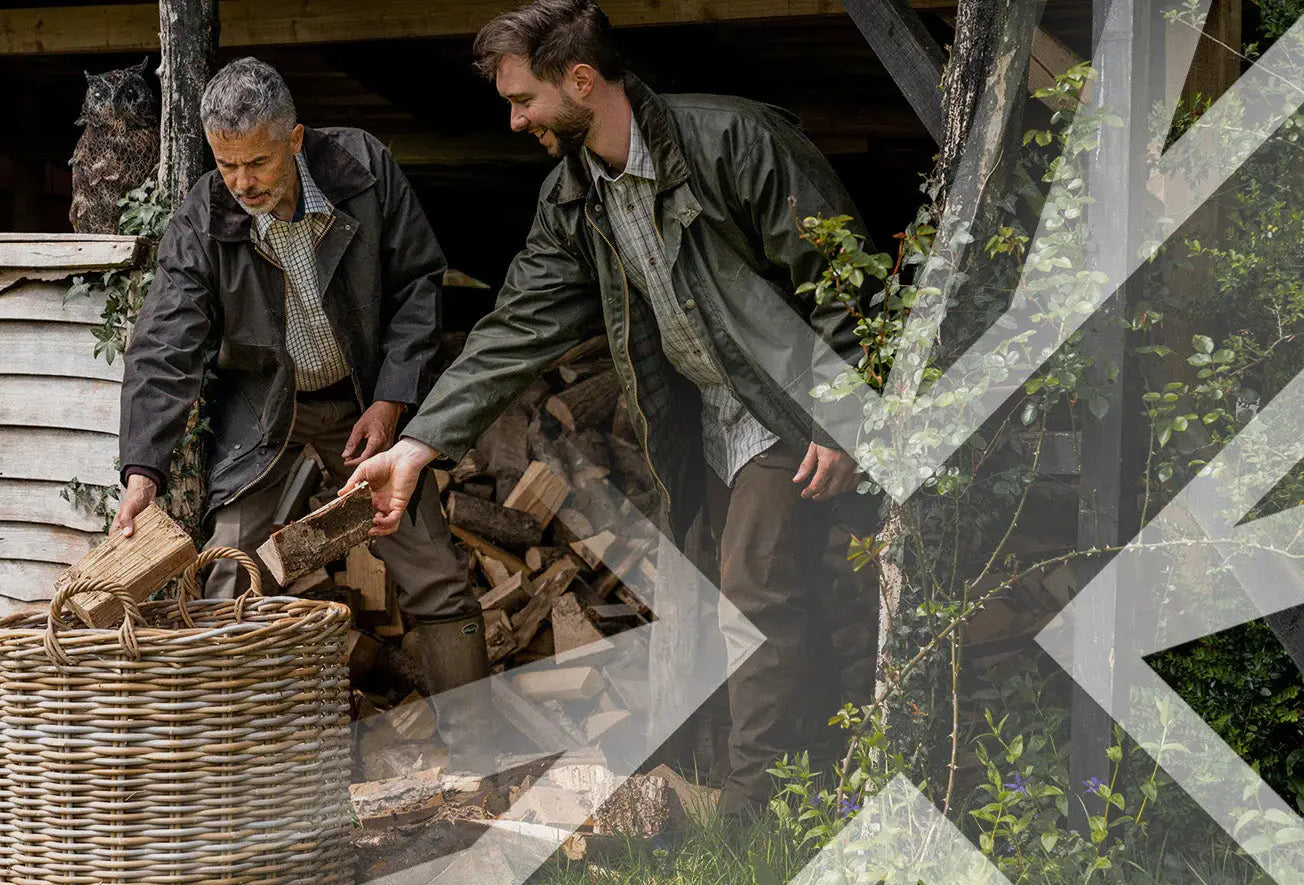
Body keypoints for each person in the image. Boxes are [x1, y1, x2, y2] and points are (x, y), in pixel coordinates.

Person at [345, 0, 871, 817]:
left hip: (785, 408)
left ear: (581, 80)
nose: (516, 120)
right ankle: (806, 781)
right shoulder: (575, 198)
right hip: (705, 422)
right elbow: (516, 325)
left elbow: (842, 273)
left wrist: (842, 417)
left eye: (523, 100)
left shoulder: (733, 142)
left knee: (758, 591)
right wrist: (419, 445)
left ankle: (750, 812)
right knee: (728, 596)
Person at [113, 57, 491, 748]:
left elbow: (416, 284)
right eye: (227, 164)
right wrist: (143, 470)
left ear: (295, 140)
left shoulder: (363, 169)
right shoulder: (205, 213)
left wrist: (391, 400)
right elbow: (164, 344)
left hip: (367, 405)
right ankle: (232, 763)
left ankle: (480, 750)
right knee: (226, 578)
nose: (242, 183)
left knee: (436, 574)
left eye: (257, 161)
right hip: (266, 421)